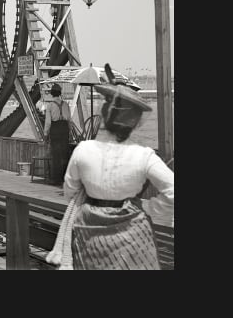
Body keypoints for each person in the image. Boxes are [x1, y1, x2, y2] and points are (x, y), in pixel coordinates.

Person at [50, 65, 174, 270]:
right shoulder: (144, 156)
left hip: (89, 234)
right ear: (134, 123)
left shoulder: (83, 150)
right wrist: (149, 208)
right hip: (134, 235)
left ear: (105, 116)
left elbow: (69, 191)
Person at [43, 82, 72, 185]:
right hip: (64, 129)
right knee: (64, 154)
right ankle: (65, 178)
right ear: (60, 93)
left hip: (55, 129)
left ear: (52, 94)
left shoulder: (50, 105)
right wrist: (70, 132)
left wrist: (46, 134)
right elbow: (69, 120)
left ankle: (56, 179)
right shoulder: (66, 104)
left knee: (56, 155)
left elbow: (48, 122)